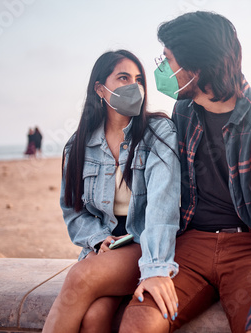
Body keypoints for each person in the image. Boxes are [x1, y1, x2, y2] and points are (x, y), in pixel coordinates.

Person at [119, 12, 251, 333]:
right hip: (190, 244)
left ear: (196, 68)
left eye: (168, 59)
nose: (162, 69)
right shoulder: (183, 110)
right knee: (137, 324)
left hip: (250, 247)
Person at [42, 50, 181, 333]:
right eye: (123, 77)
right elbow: (74, 212)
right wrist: (99, 240)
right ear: (100, 89)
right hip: (105, 247)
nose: (135, 86)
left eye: (139, 79)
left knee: (79, 278)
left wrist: (155, 268)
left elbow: (162, 207)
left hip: (147, 243)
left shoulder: (159, 132)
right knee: (94, 316)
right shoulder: (77, 145)